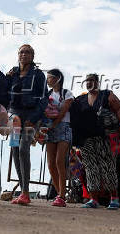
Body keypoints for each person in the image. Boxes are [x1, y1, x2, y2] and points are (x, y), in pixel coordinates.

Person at [70, 73, 120, 209]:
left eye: (92, 80)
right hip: (86, 138)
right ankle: (93, 199)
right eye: (87, 81)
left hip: (104, 135)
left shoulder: (106, 95)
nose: (89, 83)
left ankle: (114, 198)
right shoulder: (80, 99)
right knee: (90, 167)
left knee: (108, 165)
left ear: (97, 82)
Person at [6, 44, 47, 205]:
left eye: (28, 52)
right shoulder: (13, 72)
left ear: (32, 56)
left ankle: (25, 192)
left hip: (31, 115)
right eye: (22, 52)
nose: (24, 54)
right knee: (15, 149)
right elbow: (5, 91)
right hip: (15, 115)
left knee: (24, 148)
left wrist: (35, 116)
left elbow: (44, 98)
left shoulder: (38, 75)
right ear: (18, 55)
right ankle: (23, 192)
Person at [44, 69, 74, 207]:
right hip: (50, 129)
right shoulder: (47, 94)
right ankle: (59, 194)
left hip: (64, 127)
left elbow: (63, 112)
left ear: (57, 79)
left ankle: (62, 195)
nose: (48, 80)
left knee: (59, 161)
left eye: (49, 78)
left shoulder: (66, 93)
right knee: (50, 164)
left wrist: (53, 125)